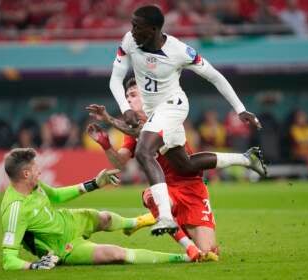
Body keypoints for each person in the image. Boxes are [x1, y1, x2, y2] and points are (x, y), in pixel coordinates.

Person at [109, 5, 262, 235]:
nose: (131, 31)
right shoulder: (130, 41)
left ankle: (166, 217)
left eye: (136, 27)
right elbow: (115, 78)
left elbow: (215, 76)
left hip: (174, 106)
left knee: (143, 151)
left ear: (152, 29)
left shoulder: (180, 51)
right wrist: (124, 108)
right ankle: (247, 159)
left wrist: (240, 109)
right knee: (185, 165)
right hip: (153, 113)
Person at [86, 77, 265, 260]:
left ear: (146, 95)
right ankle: (188, 248)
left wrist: (109, 119)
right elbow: (120, 163)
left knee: (210, 252)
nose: (128, 100)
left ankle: (149, 220)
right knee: (151, 196)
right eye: (126, 96)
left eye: (133, 95)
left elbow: (143, 132)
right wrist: (106, 145)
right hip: (165, 188)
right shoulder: (130, 130)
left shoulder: (165, 113)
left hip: (192, 186)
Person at [1, 148, 198, 271]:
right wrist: (34, 266)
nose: (40, 171)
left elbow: (56, 196)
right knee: (116, 254)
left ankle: (133, 223)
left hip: (67, 220)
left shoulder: (34, 185)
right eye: (36, 169)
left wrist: (95, 183)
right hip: (64, 248)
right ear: (26, 174)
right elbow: (9, 260)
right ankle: (184, 257)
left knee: (104, 218)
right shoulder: (15, 209)